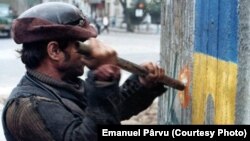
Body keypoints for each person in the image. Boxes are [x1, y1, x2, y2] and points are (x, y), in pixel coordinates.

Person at [1, 2, 167, 141]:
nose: (89, 52)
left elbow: (108, 111)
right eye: (80, 44)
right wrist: (103, 76)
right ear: (55, 51)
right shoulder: (28, 107)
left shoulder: (67, 84)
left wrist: (141, 84)